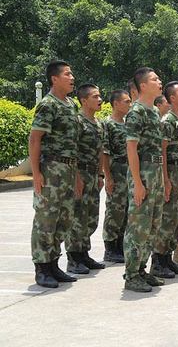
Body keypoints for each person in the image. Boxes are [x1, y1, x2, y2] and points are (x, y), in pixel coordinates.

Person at [29, 60, 79, 288]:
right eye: (67, 74)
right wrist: (37, 173)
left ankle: (54, 264)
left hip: (69, 169)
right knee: (46, 220)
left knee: (64, 219)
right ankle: (42, 268)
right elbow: (35, 138)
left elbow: (73, 143)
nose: (72, 78)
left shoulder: (71, 104)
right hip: (51, 169)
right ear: (54, 78)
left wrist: (76, 174)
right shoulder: (48, 105)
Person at [123, 67, 166, 292]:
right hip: (143, 175)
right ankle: (131, 274)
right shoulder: (136, 112)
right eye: (155, 79)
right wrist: (138, 183)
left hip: (155, 173)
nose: (159, 82)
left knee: (152, 225)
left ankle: (142, 269)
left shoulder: (153, 112)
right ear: (142, 86)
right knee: (138, 226)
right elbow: (131, 149)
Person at [151, 81, 178, 275]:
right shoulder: (168, 121)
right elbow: (162, 150)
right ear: (172, 98)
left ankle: (168, 257)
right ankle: (158, 261)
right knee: (167, 217)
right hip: (172, 171)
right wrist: (165, 179)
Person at [65, 84, 106, 274]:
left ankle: (84, 253)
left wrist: (100, 174)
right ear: (83, 100)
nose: (100, 100)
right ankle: (73, 258)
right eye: (95, 97)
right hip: (79, 172)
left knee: (90, 217)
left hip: (92, 174)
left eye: (100, 97)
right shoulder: (78, 122)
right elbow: (71, 150)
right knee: (77, 217)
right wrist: (76, 178)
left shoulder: (98, 123)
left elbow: (100, 152)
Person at [102, 89, 131, 263]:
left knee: (126, 209)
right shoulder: (108, 124)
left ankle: (120, 244)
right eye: (126, 101)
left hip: (128, 170)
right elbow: (105, 152)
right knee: (115, 209)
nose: (129, 104)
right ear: (116, 104)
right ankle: (110, 247)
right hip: (116, 169)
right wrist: (108, 177)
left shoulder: (127, 124)